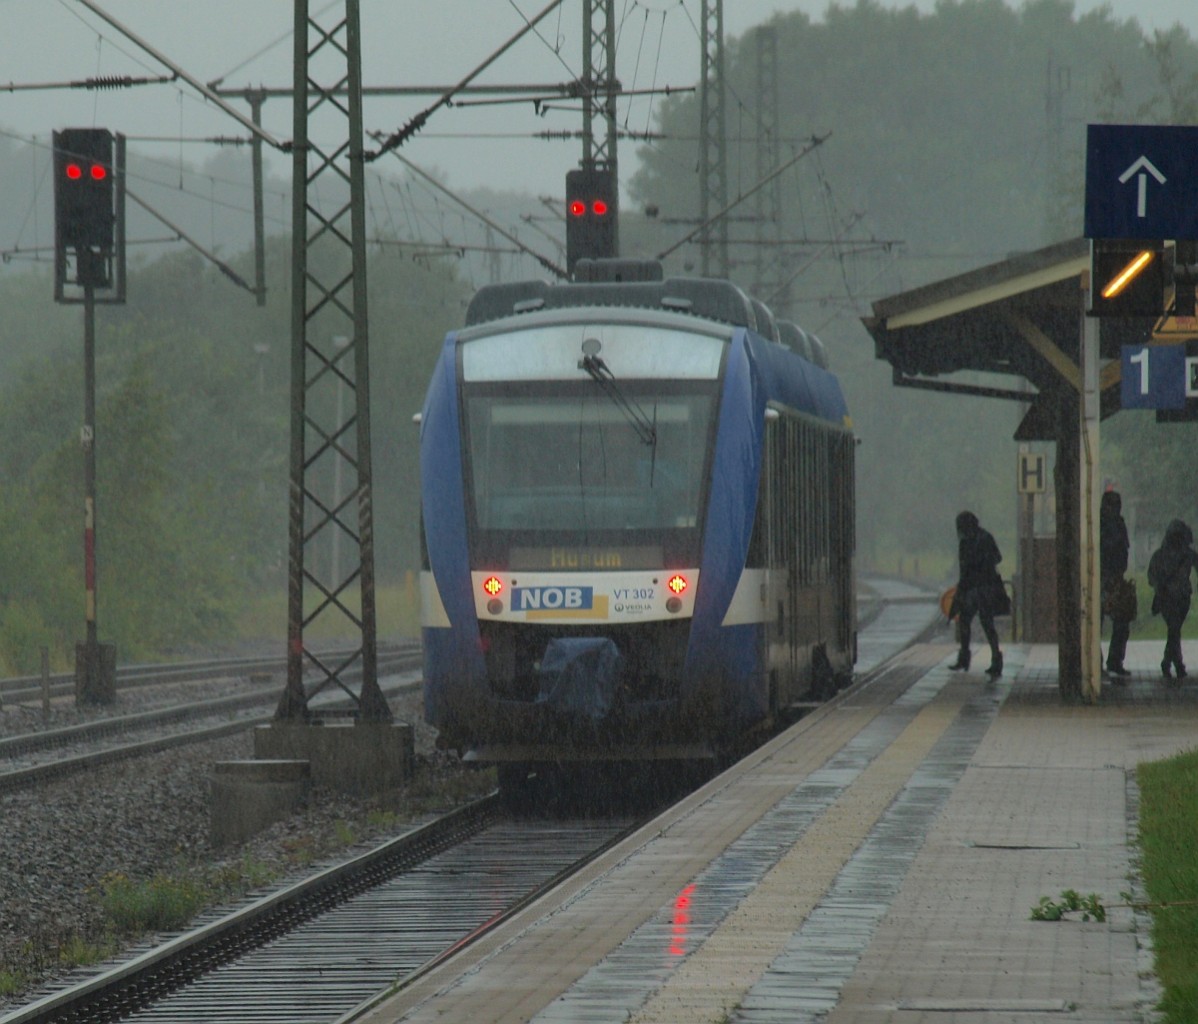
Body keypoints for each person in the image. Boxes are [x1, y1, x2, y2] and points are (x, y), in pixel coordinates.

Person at [949, 511, 1007, 676]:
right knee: (982, 623)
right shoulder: (984, 537)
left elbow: (967, 568)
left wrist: (977, 567)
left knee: (971, 621)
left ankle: (967, 657)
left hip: (980, 588)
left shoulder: (970, 541)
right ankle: (995, 658)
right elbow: (998, 557)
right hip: (982, 587)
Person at [1147, 519, 1198, 680]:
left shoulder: (1159, 555)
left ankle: (1170, 663)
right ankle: (1175, 664)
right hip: (1181, 598)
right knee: (1174, 630)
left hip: (1166, 598)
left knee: (1173, 630)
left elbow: (1151, 577)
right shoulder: (1189, 554)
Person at [1100, 490, 1132, 677]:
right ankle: (1101, 661)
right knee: (1096, 621)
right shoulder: (1102, 524)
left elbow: (1123, 548)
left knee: (1121, 622)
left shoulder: (1119, 524)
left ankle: (1114, 660)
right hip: (1102, 577)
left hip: (1116, 577)